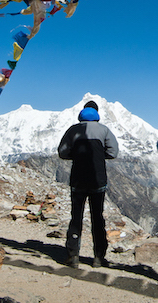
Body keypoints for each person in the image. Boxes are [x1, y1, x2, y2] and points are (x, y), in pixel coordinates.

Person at [57, 100, 118, 269]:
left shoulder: (73, 130)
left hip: (78, 179)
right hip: (98, 179)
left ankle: (73, 255)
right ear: (97, 114)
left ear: (82, 113)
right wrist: (98, 155)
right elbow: (113, 152)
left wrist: (76, 155)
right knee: (97, 217)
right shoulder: (104, 130)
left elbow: (62, 152)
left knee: (76, 216)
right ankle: (98, 257)